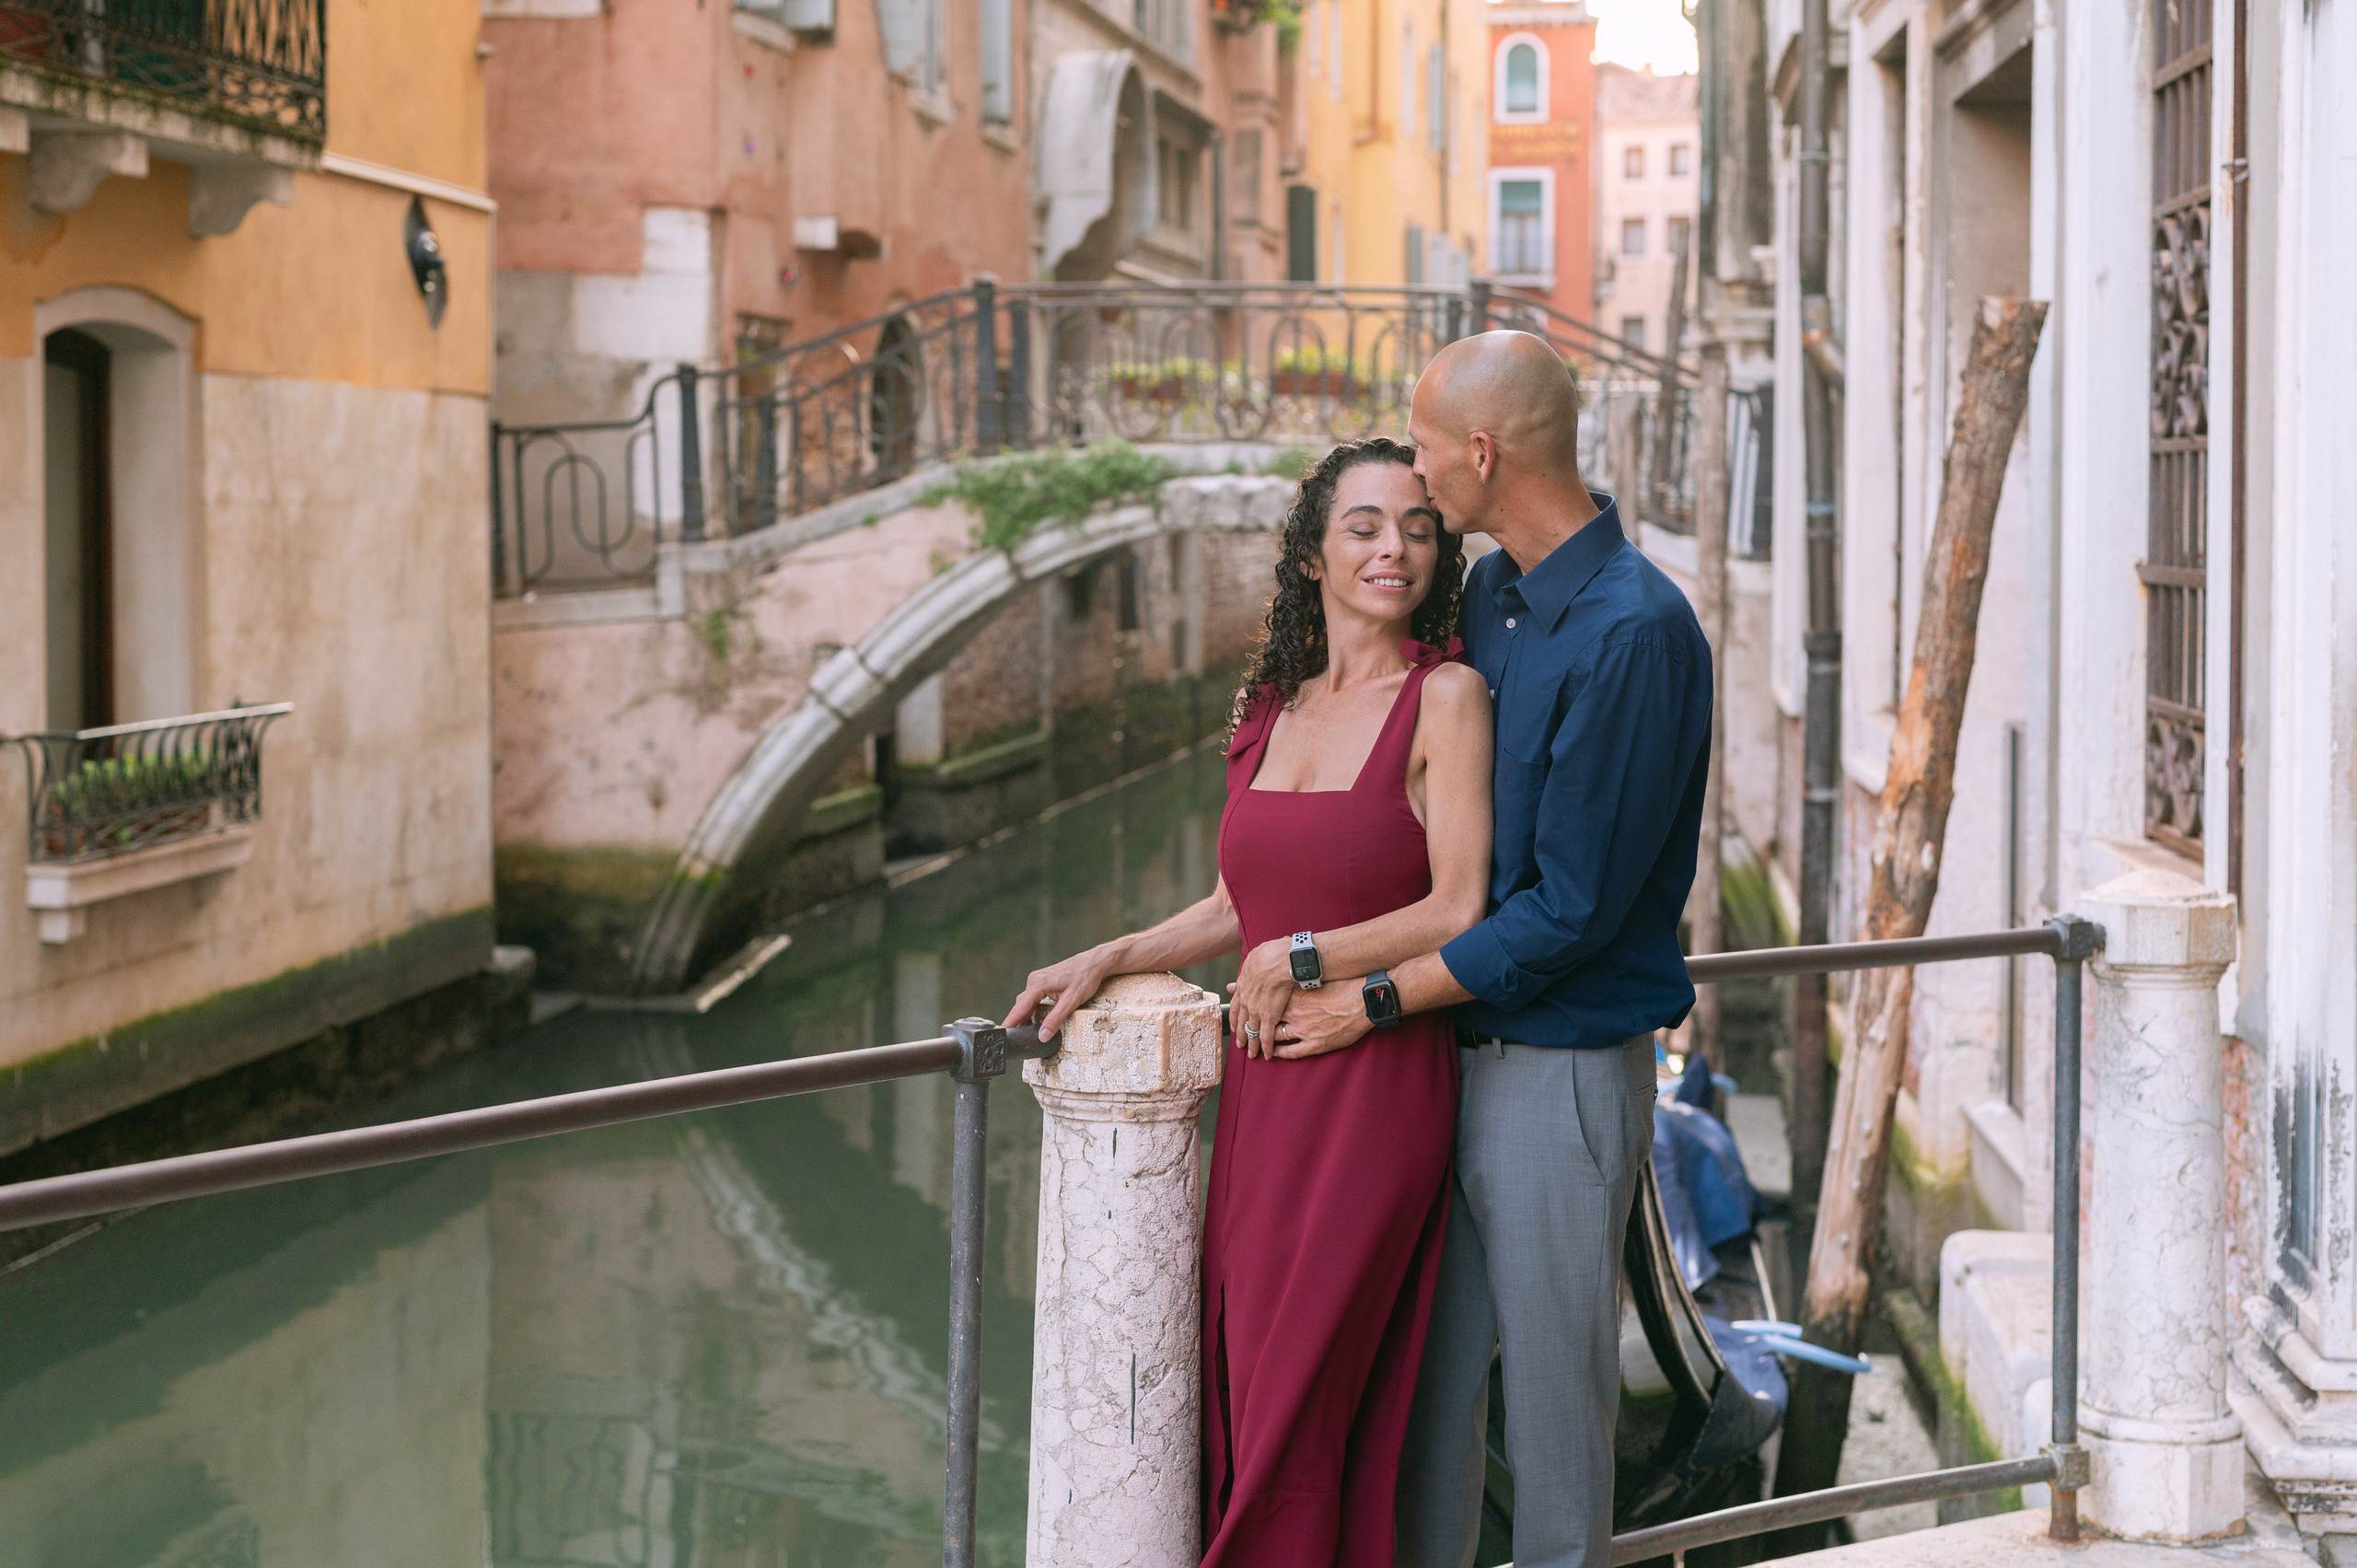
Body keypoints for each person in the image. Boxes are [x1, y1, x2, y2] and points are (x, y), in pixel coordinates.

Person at [1003, 437, 1494, 1567]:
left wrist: (1309, 956)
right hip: (1266, 1098)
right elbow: (1241, 898)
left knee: (1300, 1401)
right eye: (1364, 525)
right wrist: (1110, 953)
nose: (1393, 548)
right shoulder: (1270, 704)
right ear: (1313, 552)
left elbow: (1461, 905)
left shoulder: (1448, 695)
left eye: (1418, 528)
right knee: (1241, 1374)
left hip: (1375, 1089)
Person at [1265, 332, 1713, 1568]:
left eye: (1421, 446)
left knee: (1557, 1414)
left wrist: (1367, 994)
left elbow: (1570, 909)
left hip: (1558, 1070)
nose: (1412, 476)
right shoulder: (1493, 599)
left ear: (1479, 450)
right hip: (1438, 1062)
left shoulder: (1635, 631)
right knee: (1422, 1397)